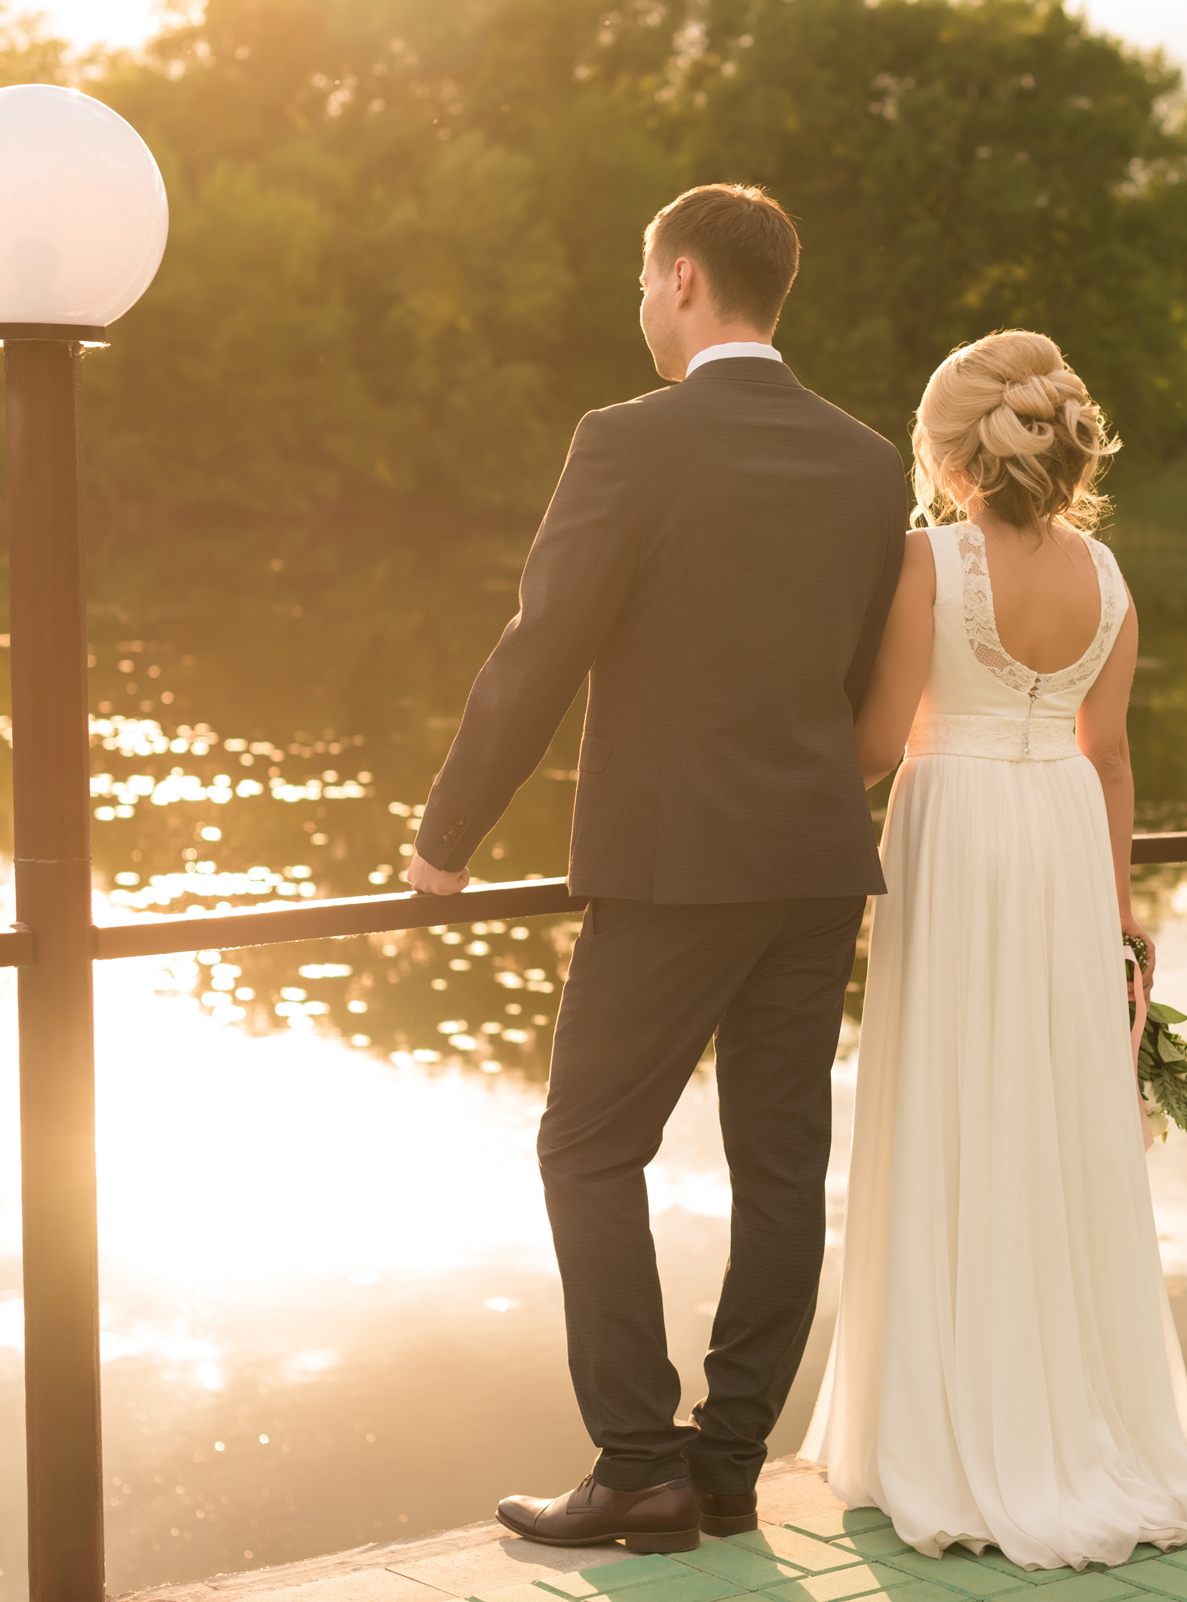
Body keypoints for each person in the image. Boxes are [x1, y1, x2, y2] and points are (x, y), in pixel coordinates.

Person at [402, 184, 906, 1554]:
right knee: (781, 1168)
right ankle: (729, 1465)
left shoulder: (626, 440)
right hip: (811, 864)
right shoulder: (870, 464)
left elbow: (540, 650)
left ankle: (638, 1459)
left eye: (641, 280)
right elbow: (861, 679)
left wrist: (446, 841)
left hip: (675, 870)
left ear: (683, 279)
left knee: (586, 1143)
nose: (639, 305)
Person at [801, 330, 1187, 1570]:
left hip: (954, 834)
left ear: (952, 457)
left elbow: (871, 745)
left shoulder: (927, 563)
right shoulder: (1109, 577)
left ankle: (951, 1435)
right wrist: (1116, 913)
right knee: (1052, 1121)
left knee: (951, 1104)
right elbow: (1108, 757)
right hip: (1065, 847)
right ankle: (1081, 1419)